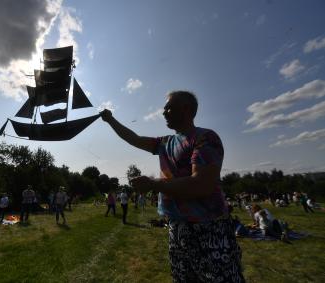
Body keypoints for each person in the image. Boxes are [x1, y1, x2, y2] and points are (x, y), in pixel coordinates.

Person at [101, 90, 244, 282]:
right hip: (177, 227)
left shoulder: (205, 138)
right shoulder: (165, 142)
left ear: (185, 109)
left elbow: (200, 185)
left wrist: (153, 184)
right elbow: (133, 139)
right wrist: (111, 120)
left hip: (209, 227)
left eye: (168, 107)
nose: (163, 112)